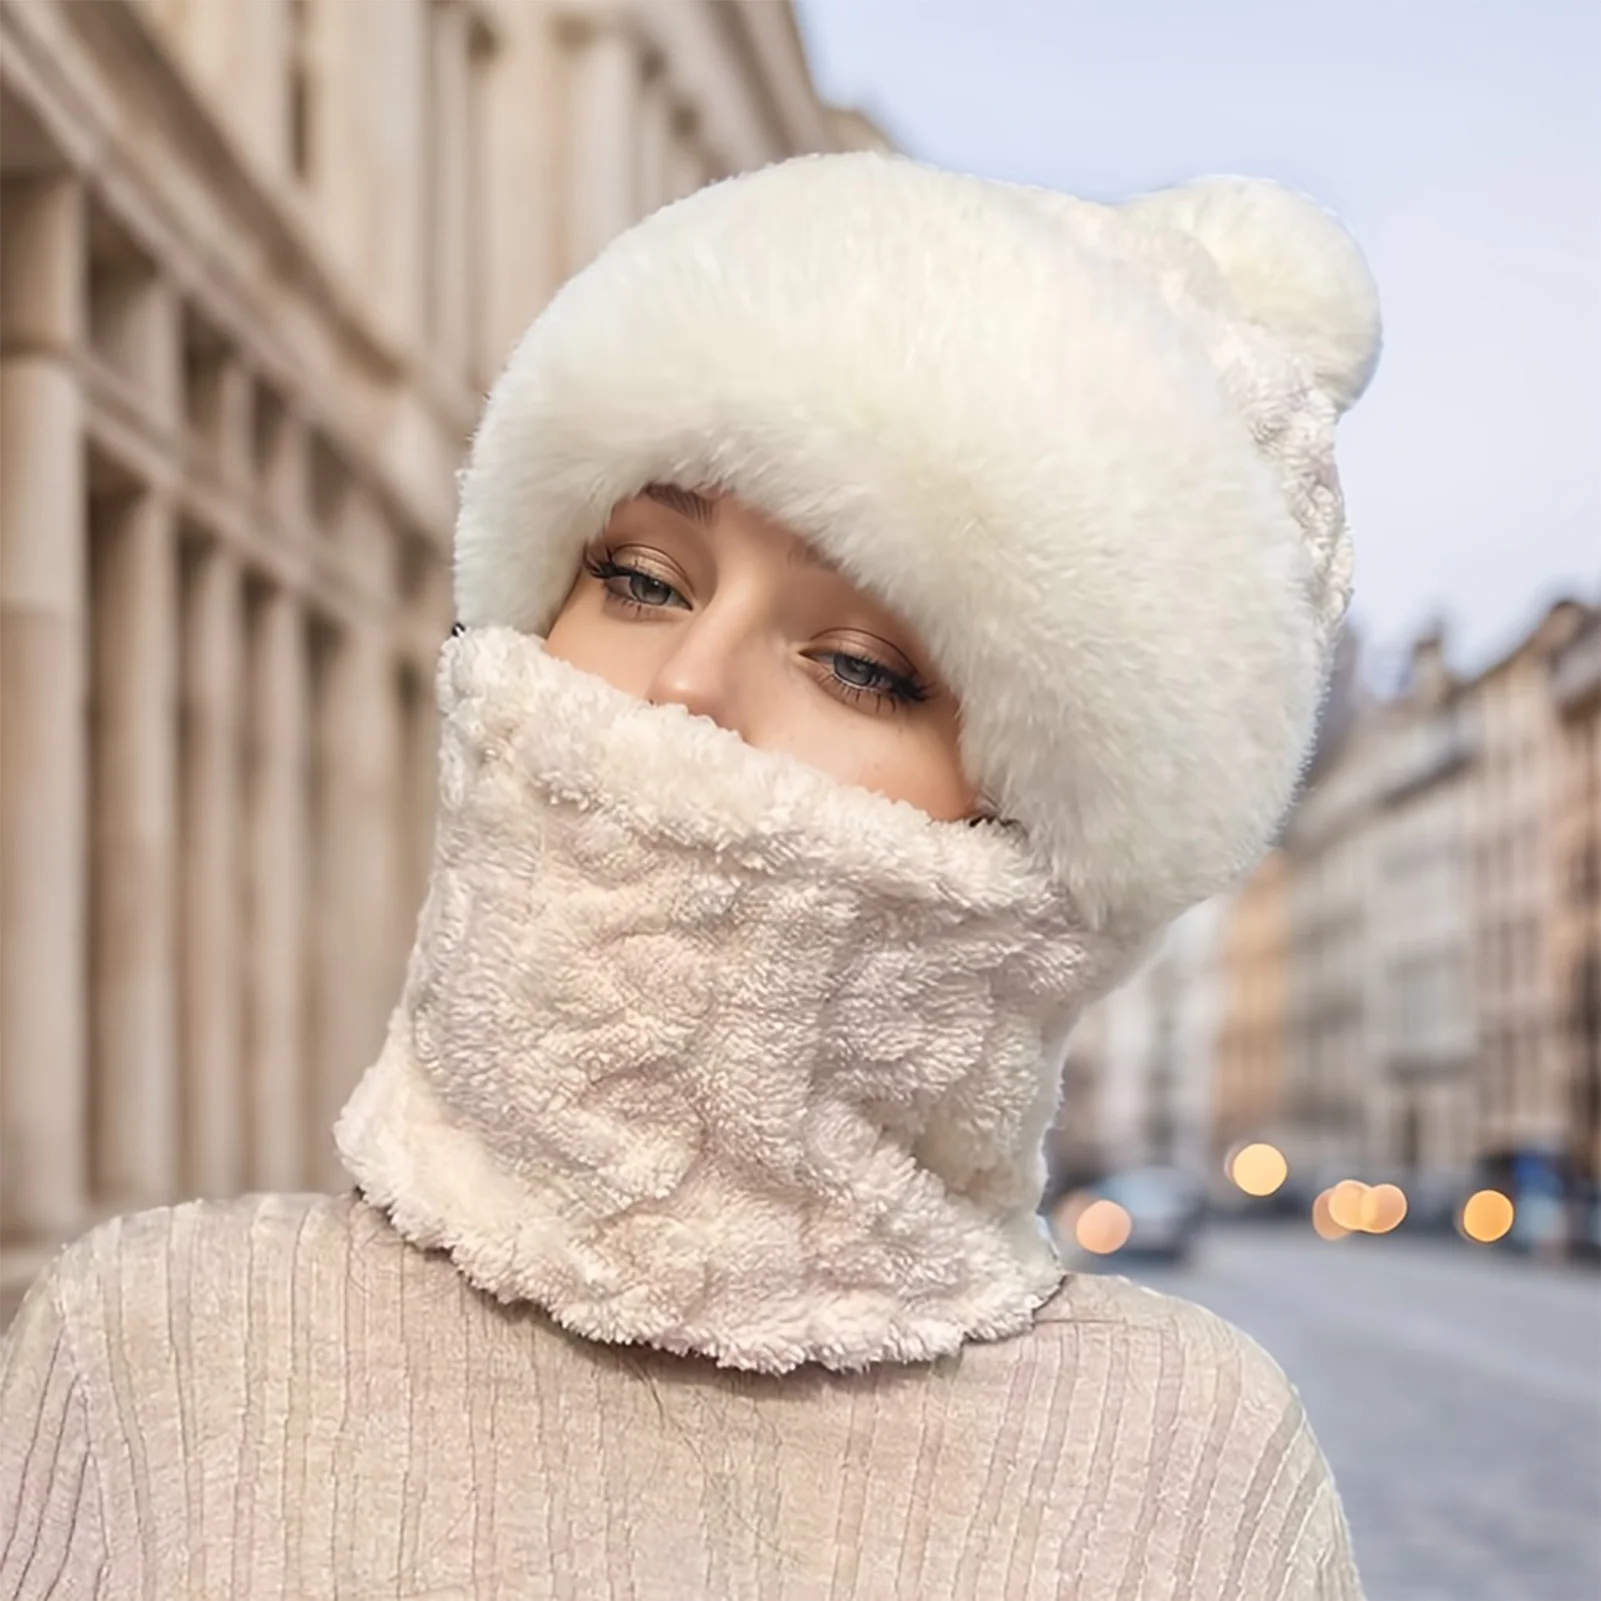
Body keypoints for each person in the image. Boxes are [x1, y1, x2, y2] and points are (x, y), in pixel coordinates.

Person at [0, 151, 1380, 1598]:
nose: (688, 678)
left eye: (860, 668)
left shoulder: (1185, 1462)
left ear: (1044, 846)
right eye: (643, 578)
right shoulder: (142, 1356)